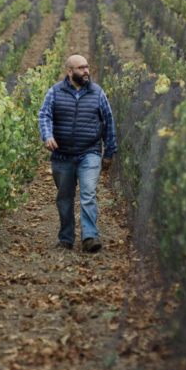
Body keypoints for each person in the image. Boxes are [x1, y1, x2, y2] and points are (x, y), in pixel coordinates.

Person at [38, 54, 118, 253]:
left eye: (87, 67)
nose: (86, 72)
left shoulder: (97, 93)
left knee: (88, 194)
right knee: (64, 198)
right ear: (69, 71)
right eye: (81, 68)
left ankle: (90, 237)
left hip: (89, 153)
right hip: (62, 155)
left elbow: (109, 122)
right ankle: (66, 238)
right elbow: (44, 115)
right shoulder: (55, 92)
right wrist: (47, 136)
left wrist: (108, 152)